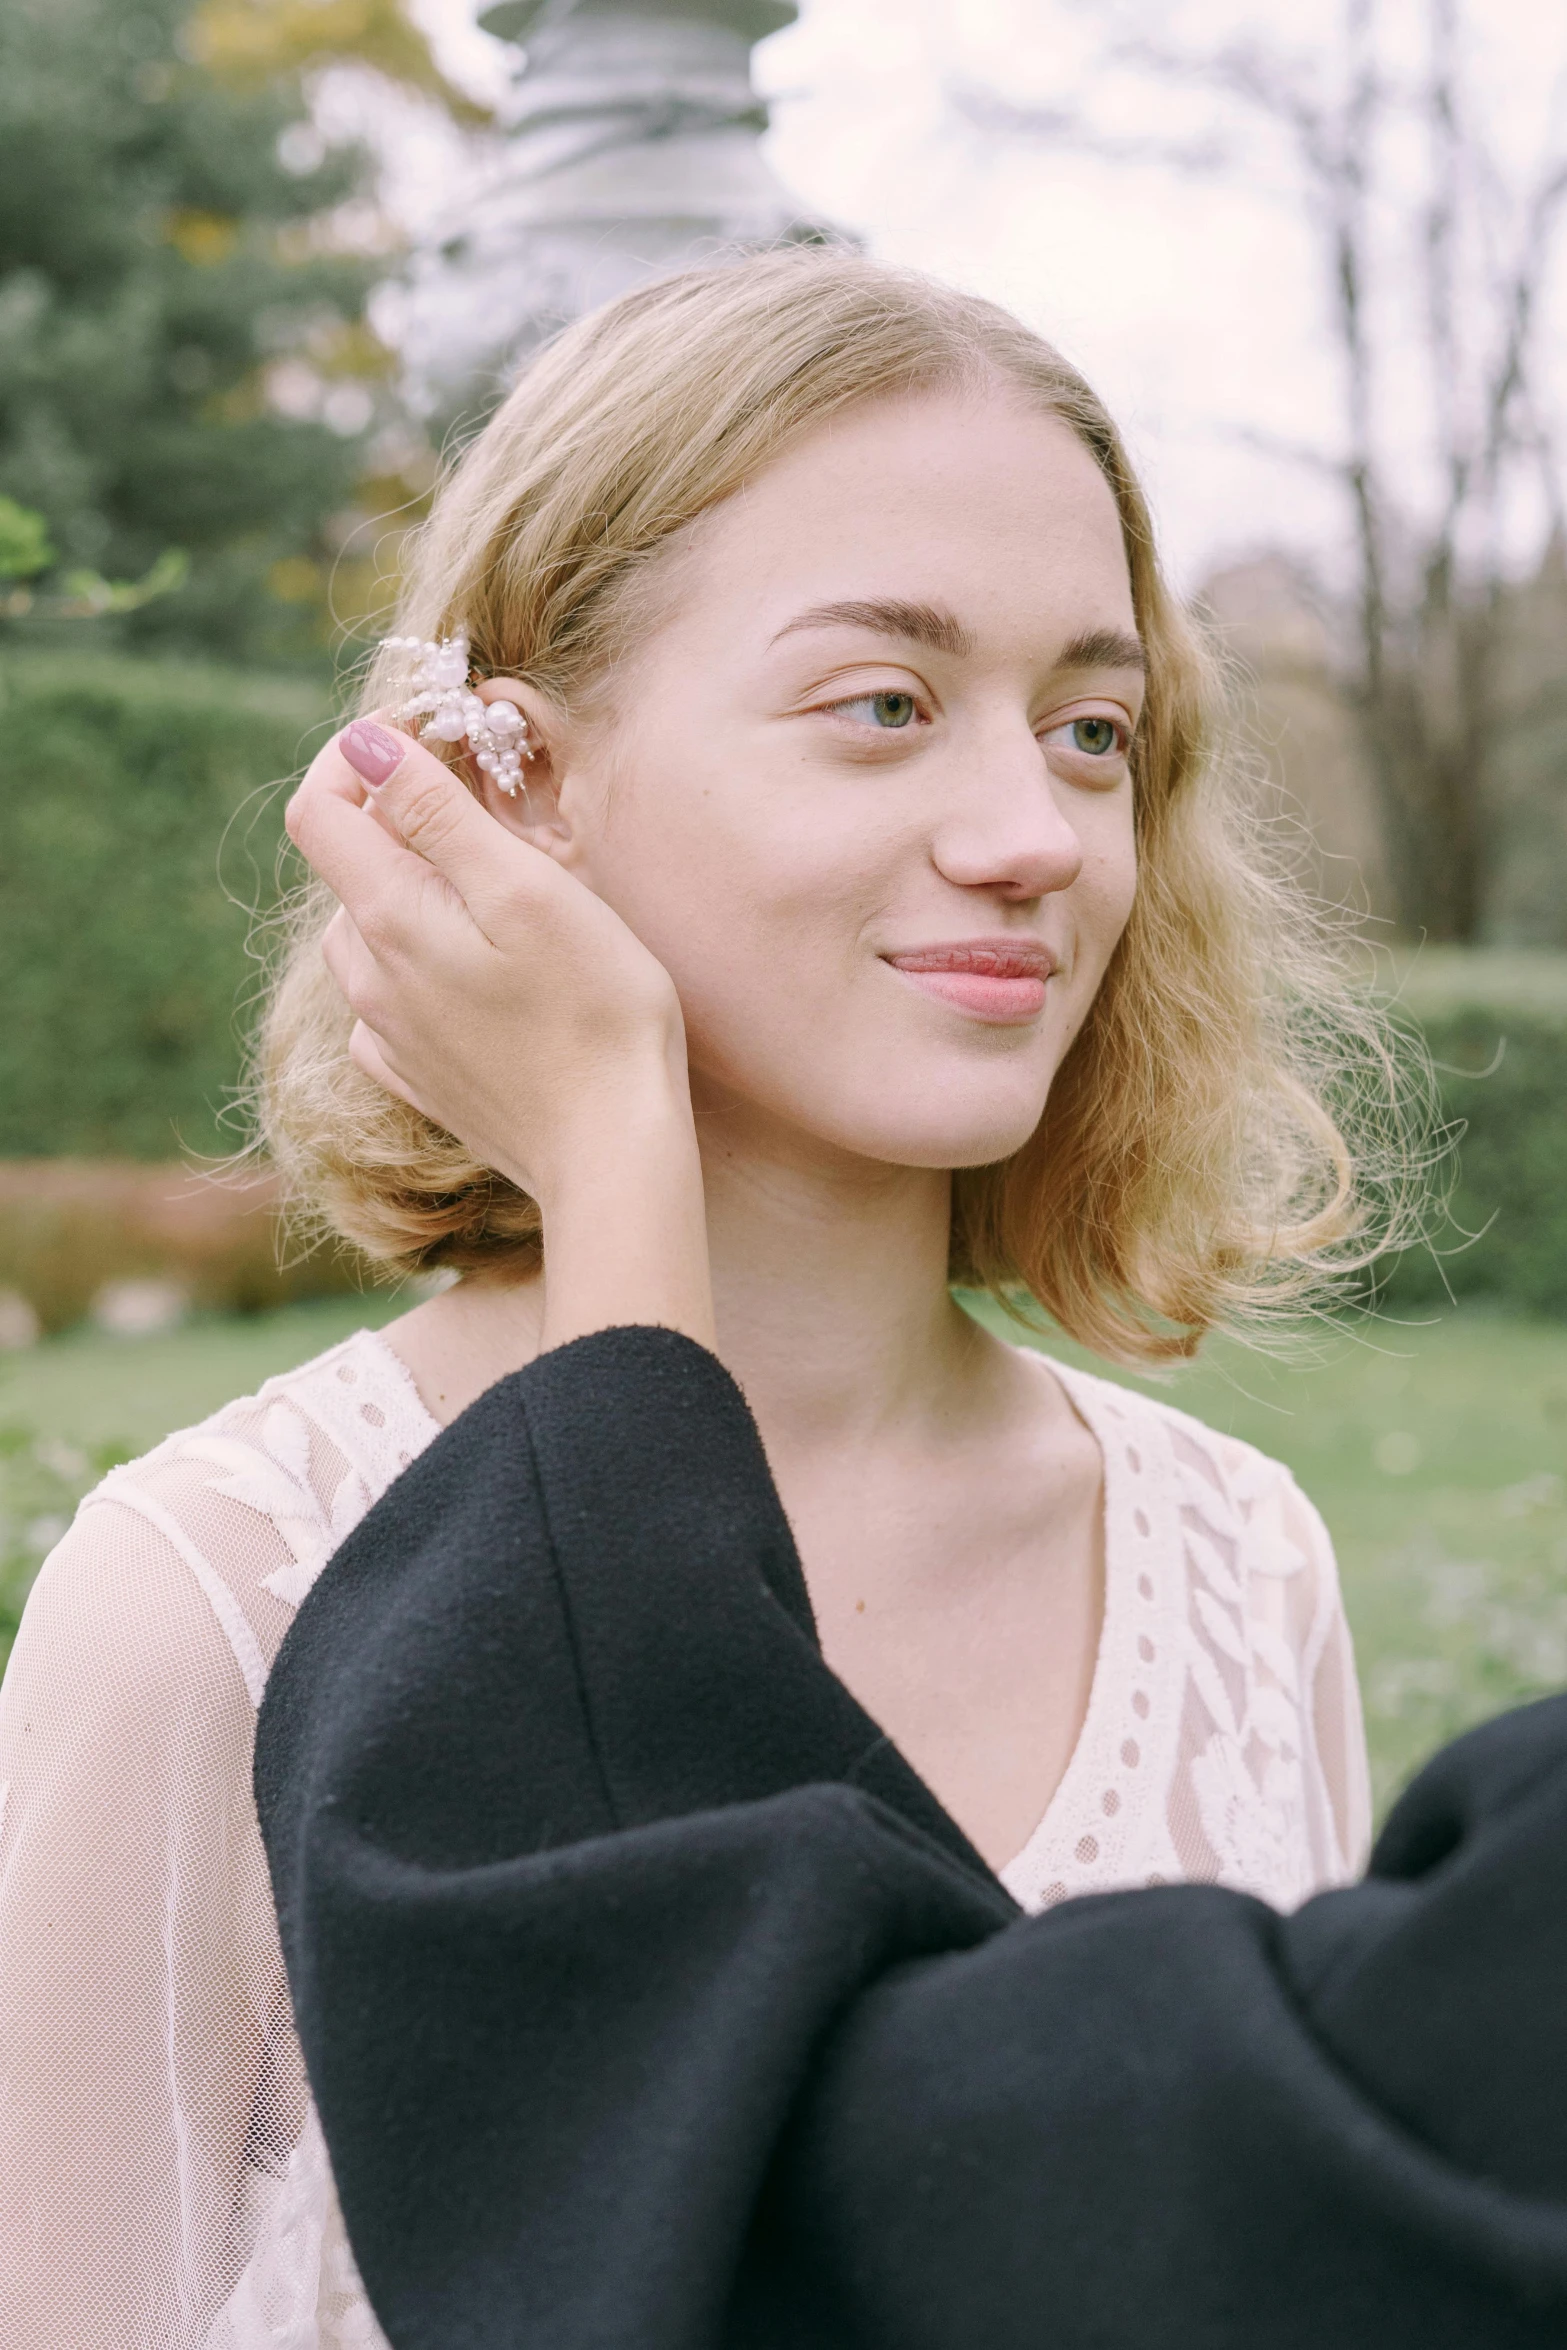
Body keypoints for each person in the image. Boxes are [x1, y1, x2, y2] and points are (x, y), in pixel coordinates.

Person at [0, 249, 1414, 2347]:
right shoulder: (216, 1596)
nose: (1034, 833)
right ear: (513, 775)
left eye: (1094, 728)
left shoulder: (1238, 1567)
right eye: (884, 704)